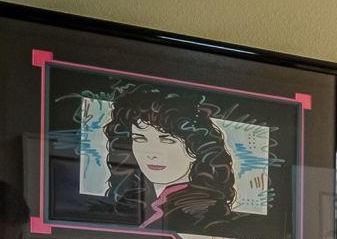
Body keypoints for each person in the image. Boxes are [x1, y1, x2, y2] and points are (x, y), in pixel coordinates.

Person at [102, 86, 237, 230]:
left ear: (195, 148)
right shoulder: (134, 204)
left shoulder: (203, 214)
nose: (152, 153)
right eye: (140, 139)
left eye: (167, 140)